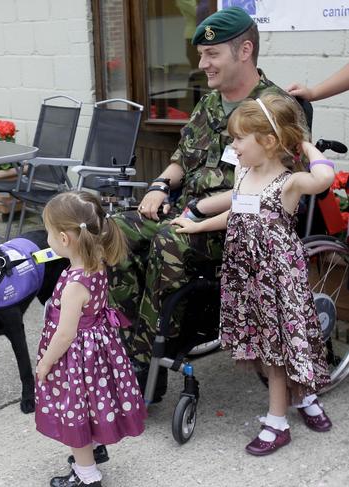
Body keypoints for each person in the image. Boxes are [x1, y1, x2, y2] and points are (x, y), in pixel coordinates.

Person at [108, 6, 309, 401]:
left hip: (243, 224)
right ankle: (126, 345)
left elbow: (276, 186)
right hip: (188, 210)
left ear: (245, 50)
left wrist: (200, 210)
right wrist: (160, 186)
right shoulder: (209, 105)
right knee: (115, 229)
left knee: (170, 238)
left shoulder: (275, 109)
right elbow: (182, 159)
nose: (202, 64)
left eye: (211, 54)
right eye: (201, 54)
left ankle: (150, 358)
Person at [172, 94, 333, 455]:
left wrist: (305, 143)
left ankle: (278, 423)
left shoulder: (289, 182)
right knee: (264, 347)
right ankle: (304, 397)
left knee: (279, 352)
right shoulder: (243, 172)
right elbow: (236, 214)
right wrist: (197, 225)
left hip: (278, 279)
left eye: (239, 138)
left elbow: (324, 177)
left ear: (269, 142)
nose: (233, 145)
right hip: (246, 278)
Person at [36, 191, 147, 487]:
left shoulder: (74, 283)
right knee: (93, 403)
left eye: (48, 232)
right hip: (97, 349)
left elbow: (65, 334)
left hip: (75, 357)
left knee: (74, 412)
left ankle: (87, 475)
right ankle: (94, 450)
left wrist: (45, 364)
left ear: (63, 239)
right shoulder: (96, 263)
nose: (46, 239)